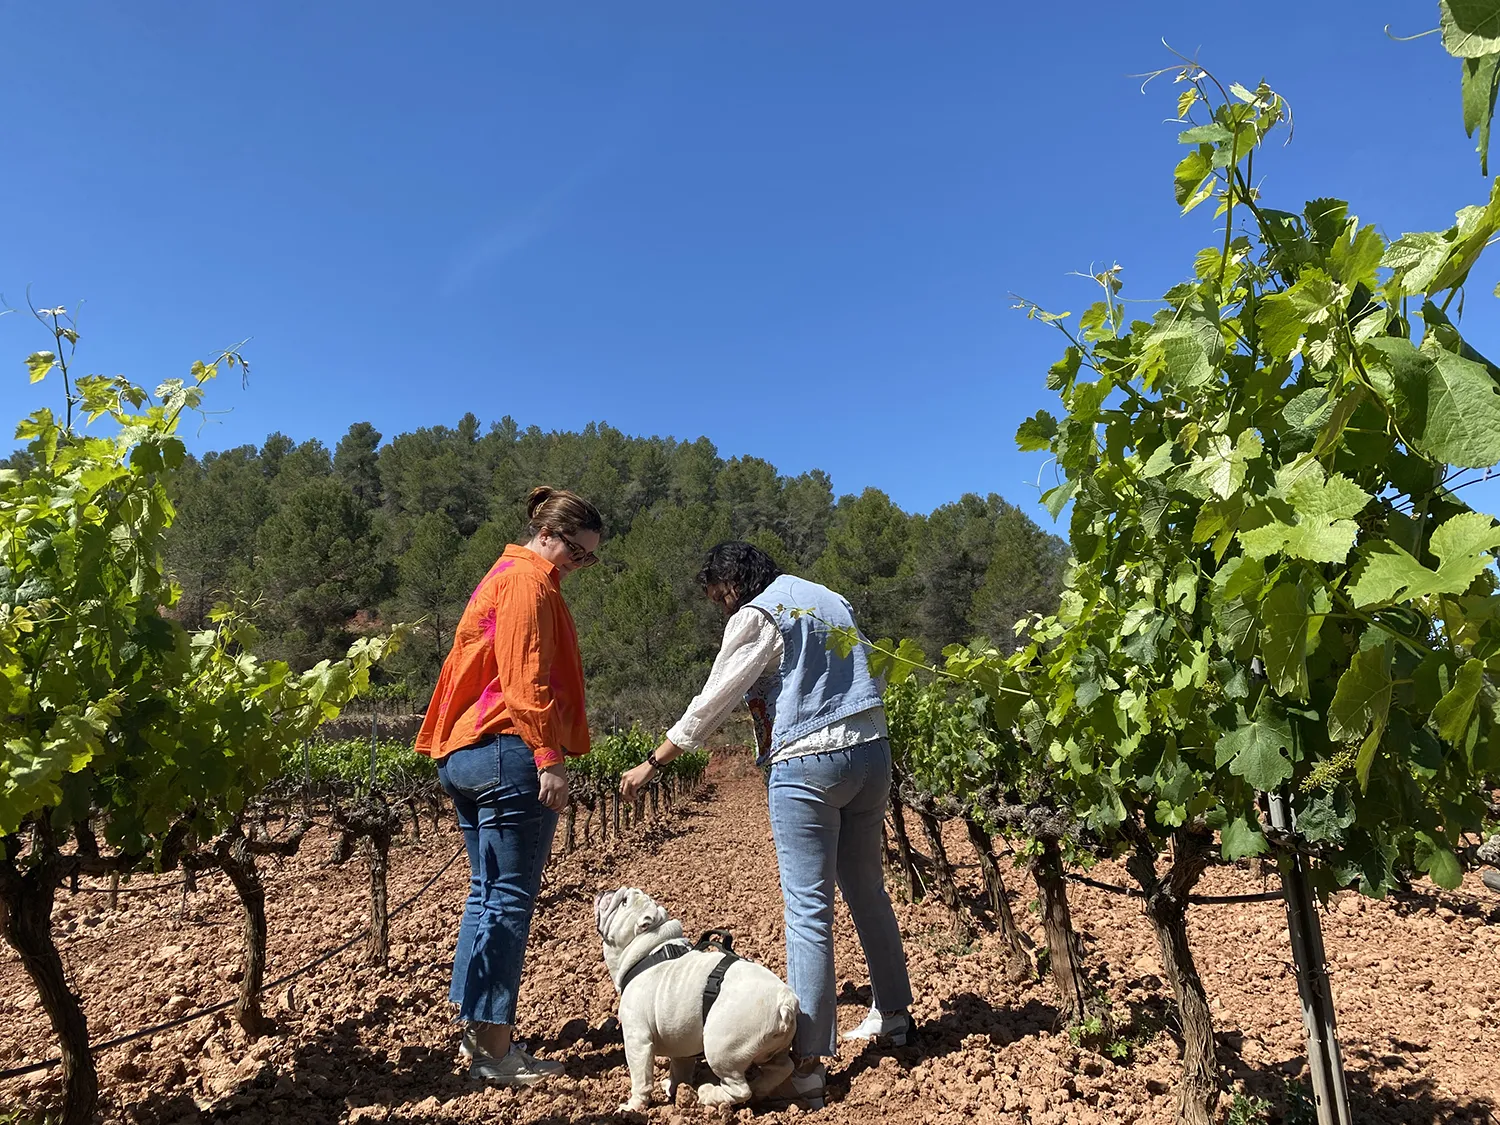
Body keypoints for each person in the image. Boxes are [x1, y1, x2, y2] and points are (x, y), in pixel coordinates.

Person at [621, 541, 913, 1108]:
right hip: (873, 752)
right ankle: (895, 1017)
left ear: (733, 583)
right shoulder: (830, 598)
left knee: (808, 907)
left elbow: (714, 699)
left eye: (718, 597)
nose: (721, 609)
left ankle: (806, 1063)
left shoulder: (758, 614)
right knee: (867, 890)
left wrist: (654, 761)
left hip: (807, 759)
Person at [416, 486, 602, 1086]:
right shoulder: (527, 580)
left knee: (486, 893)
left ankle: (480, 1034)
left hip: (469, 751)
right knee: (509, 898)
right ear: (548, 534)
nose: (578, 565)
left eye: (588, 559)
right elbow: (526, 678)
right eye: (576, 552)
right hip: (507, 750)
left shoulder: (504, 575)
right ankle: (495, 1053)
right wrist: (548, 756)